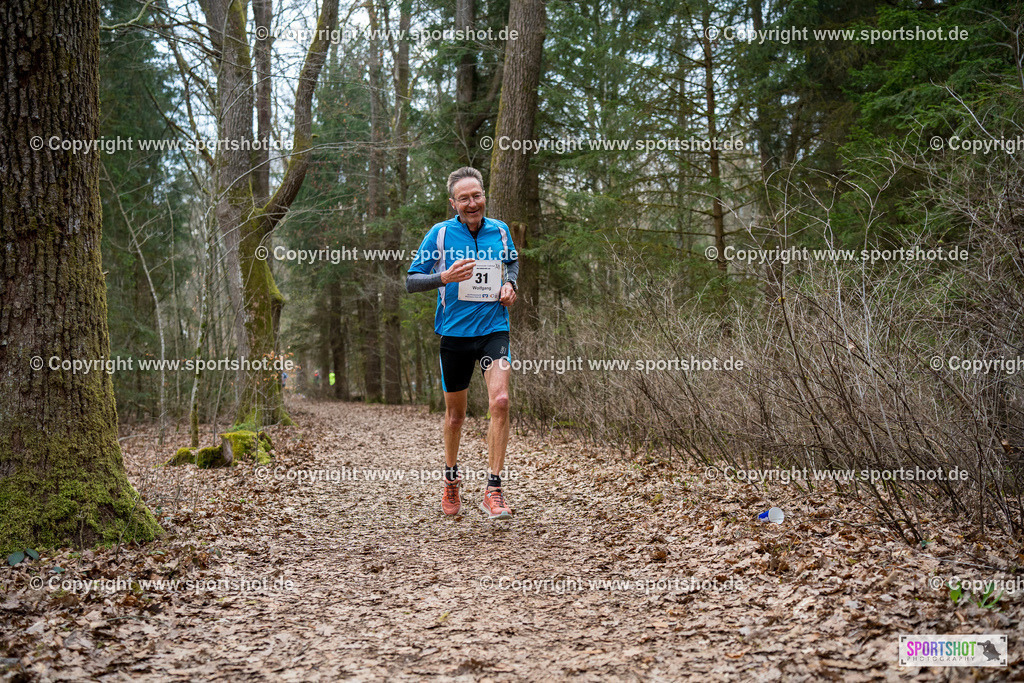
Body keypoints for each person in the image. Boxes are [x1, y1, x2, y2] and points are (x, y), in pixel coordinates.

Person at [406, 167, 518, 520]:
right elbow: (411, 281)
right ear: (453, 203)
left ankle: (494, 489)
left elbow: (511, 263)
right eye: (464, 198)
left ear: (484, 196)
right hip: (454, 335)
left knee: (500, 400)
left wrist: (510, 286)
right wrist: (443, 276)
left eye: (477, 196)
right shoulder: (439, 235)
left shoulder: (500, 231)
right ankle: (451, 479)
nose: (473, 203)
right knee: (455, 417)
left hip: (493, 330)